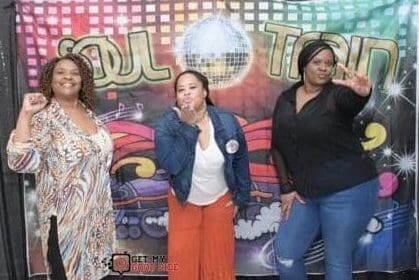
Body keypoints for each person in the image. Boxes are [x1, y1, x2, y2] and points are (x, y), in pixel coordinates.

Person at [271, 40, 378, 280]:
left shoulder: (337, 95)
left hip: (349, 189)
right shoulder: (286, 99)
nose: (323, 68)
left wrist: (362, 94)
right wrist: (286, 188)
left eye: (329, 63)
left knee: (337, 260)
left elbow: (352, 104)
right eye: (317, 62)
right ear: (303, 66)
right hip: (306, 192)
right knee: (286, 253)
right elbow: (277, 145)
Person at [7, 53, 115, 279]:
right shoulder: (45, 118)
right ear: (50, 79)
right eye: (61, 72)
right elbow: (20, 161)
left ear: (83, 80)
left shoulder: (90, 115)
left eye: (75, 73)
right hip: (65, 226)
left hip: (97, 223)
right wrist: (26, 114)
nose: (68, 77)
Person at [154, 70, 251, 279]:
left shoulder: (226, 121)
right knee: (183, 266)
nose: (186, 94)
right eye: (181, 90)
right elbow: (171, 166)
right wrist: (188, 127)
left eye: (192, 87)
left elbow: (241, 157)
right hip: (184, 200)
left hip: (220, 199)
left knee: (219, 264)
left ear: (205, 91)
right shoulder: (166, 124)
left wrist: (241, 198)